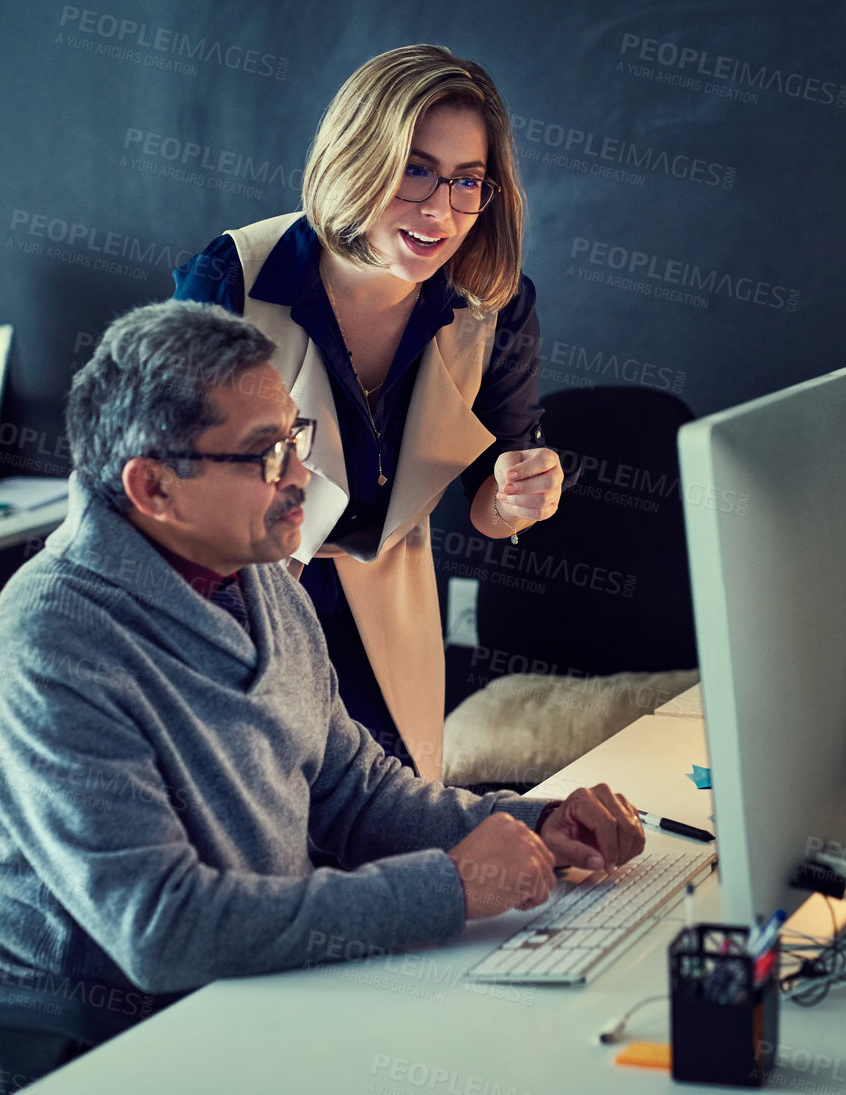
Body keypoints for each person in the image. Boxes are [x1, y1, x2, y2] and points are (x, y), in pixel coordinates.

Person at [0, 301, 642, 1005]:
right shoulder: (52, 648)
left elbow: (354, 794)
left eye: (295, 439)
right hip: (106, 1031)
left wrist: (531, 827)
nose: (301, 476)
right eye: (264, 455)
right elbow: (162, 930)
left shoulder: (258, 577)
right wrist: (451, 887)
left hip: (249, 984)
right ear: (152, 486)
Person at [172, 44, 562, 781]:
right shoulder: (233, 278)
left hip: (388, 605)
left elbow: (492, 503)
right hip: (241, 598)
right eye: (415, 169)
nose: (441, 210)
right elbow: (164, 496)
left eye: (467, 181)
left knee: (397, 821)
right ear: (358, 157)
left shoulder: (494, 304)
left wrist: (519, 494)